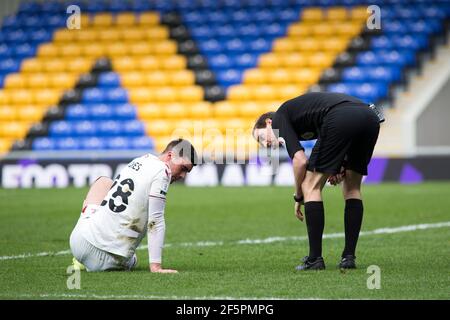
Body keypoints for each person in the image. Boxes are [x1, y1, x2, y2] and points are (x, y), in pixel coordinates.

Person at [252, 92, 382, 271]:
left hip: (341, 116)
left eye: (260, 138)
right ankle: (349, 257)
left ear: (268, 122)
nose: (264, 144)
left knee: (309, 186)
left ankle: (315, 259)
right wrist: (337, 166)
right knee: (352, 188)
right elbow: (334, 138)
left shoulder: (279, 119)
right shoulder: (301, 122)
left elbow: (300, 161)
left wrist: (299, 196)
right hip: (369, 118)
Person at [69, 139, 198, 273]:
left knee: (104, 182)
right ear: (170, 156)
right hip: (104, 260)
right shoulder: (163, 171)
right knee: (133, 259)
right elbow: (156, 220)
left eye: (187, 172)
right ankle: (97, 260)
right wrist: (156, 267)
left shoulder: (141, 159)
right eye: (183, 168)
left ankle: (80, 259)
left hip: (78, 240)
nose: (183, 175)